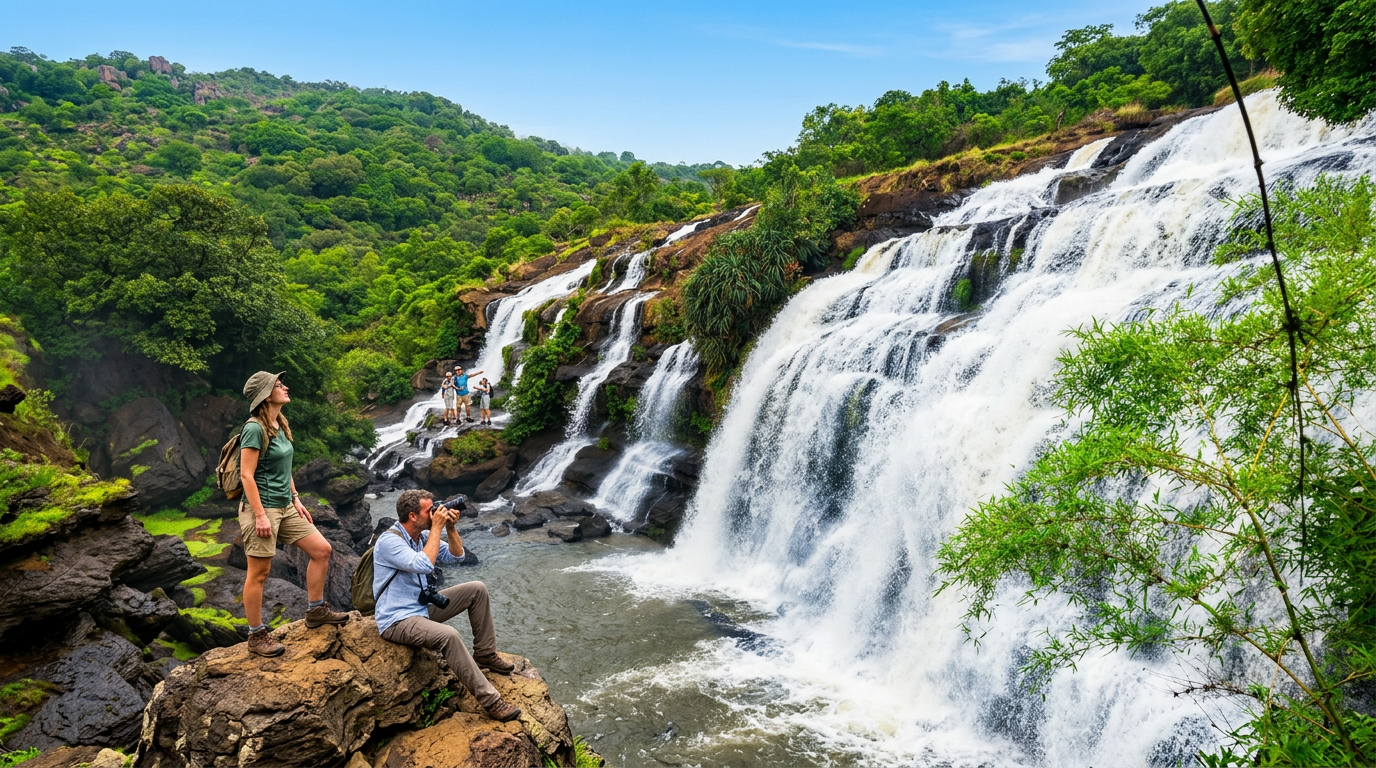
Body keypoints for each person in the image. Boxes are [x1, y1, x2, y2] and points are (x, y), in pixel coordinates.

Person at [373, 489, 522, 722]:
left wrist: (450, 528)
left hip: (421, 609)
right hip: (397, 619)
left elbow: (457, 556)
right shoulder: (389, 541)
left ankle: (485, 653)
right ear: (412, 516)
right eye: (429, 510)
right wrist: (436, 528)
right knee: (449, 635)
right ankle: (491, 701)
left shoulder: (421, 537)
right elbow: (422, 564)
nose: (434, 513)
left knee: (477, 589)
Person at [238, 371, 350, 658]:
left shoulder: (279, 423)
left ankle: (315, 611)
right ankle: (256, 634)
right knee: (259, 573)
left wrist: (296, 499)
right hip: (260, 509)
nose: (285, 387)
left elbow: (284, 469)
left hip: (285, 507)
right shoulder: (254, 428)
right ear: (265, 394)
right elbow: (247, 476)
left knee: (322, 550)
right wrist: (261, 516)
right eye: (278, 385)